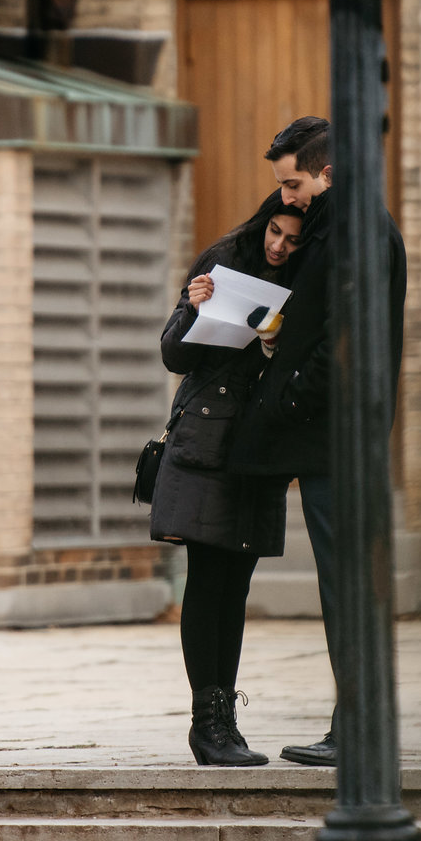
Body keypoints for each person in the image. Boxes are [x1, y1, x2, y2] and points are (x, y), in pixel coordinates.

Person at [227, 115, 406, 766]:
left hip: (338, 438)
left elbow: (346, 343)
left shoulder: (355, 229)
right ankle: (354, 721)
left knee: (346, 584)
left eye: (294, 182)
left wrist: (292, 390)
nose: (286, 197)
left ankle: (358, 727)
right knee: (345, 585)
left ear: (328, 172)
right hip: (333, 436)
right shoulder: (341, 224)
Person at [150, 189, 307, 766]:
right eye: (274, 231)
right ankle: (206, 722)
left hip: (257, 449)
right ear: (262, 222)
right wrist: (194, 307)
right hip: (204, 443)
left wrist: (276, 345)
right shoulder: (221, 262)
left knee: (235, 589)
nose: (279, 245)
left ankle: (225, 723)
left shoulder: (304, 281)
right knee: (208, 580)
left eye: (291, 240)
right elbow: (173, 356)